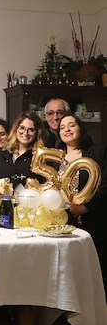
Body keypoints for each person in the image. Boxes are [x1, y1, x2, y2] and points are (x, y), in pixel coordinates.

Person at [56, 112, 107, 293]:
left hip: (94, 222)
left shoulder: (98, 152)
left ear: (81, 128)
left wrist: (85, 208)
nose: (67, 129)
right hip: (63, 225)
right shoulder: (56, 158)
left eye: (72, 125)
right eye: (62, 127)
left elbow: (105, 186)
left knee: (96, 274)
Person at [0, 111, 45, 189]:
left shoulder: (40, 157)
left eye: (31, 130)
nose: (25, 133)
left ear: (37, 133)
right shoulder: (0, 154)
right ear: (16, 128)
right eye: (22, 128)